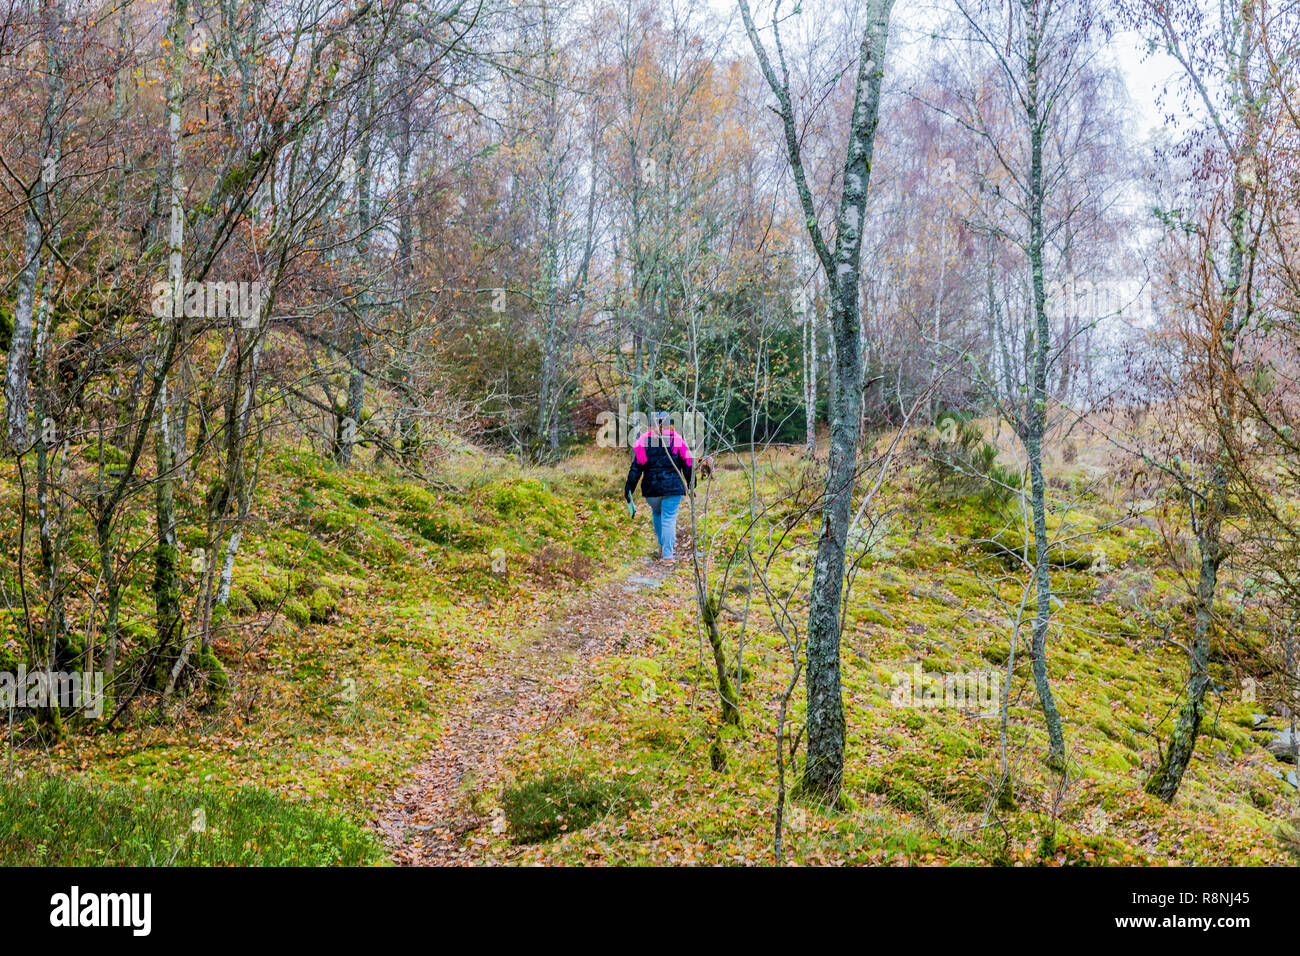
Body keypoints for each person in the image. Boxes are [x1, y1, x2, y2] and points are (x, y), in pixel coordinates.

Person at [625, 411, 694, 561]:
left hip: (652, 490)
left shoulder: (643, 442)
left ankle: (662, 548)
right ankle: (668, 557)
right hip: (673, 488)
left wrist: (629, 488)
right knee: (669, 518)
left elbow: (636, 469)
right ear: (669, 424)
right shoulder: (677, 440)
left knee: (657, 514)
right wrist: (691, 485)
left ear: (651, 424)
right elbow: (687, 465)